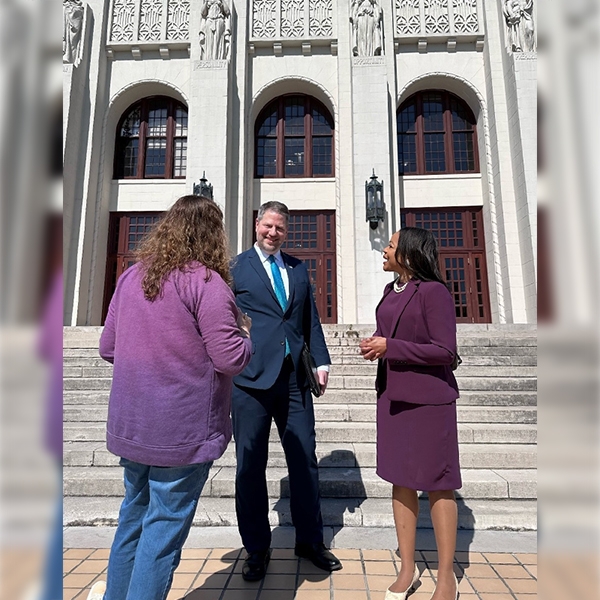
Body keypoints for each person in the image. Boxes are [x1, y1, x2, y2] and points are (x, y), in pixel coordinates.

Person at [89, 195, 252, 600]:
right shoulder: (207, 283)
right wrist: (246, 336)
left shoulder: (132, 276)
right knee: (162, 531)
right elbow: (230, 357)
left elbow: (107, 347)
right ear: (213, 235)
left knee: (133, 519)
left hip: (134, 422)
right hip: (181, 428)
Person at [230, 201, 342, 580]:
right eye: (267, 226)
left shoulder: (297, 268)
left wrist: (322, 362)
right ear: (256, 225)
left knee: (304, 460)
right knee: (249, 465)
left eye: (280, 228)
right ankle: (257, 548)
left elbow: (309, 317)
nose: (273, 233)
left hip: (294, 380)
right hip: (249, 380)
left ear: (286, 232)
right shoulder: (235, 268)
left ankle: (310, 541)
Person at [359, 227, 461, 600]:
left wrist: (392, 346)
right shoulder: (391, 291)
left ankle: (446, 577)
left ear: (409, 253)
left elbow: (444, 350)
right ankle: (407, 569)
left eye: (390, 245)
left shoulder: (434, 292)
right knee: (400, 480)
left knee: (438, 483)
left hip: (429, 401)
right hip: (393, 397)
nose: (384, 250)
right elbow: (393, 334)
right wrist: (377, 344)